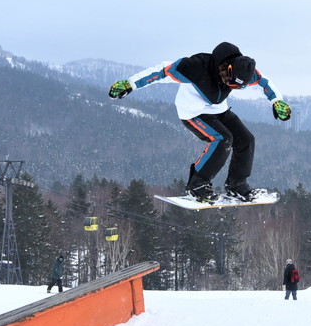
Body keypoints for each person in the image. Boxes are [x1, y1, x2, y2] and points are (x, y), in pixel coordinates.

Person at [109, 42, 291, 204]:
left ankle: (237, 184)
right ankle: (198, 184)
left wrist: (277, 101)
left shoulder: (244, 71)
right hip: (193, 114)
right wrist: (130, 84)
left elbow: (264, 82)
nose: (230, 86)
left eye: (236, 87)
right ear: (227, 68)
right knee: (223, 139)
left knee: (246, 139)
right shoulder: (195, 67)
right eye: (230, 82)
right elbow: (162, 70)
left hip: (219, 110)